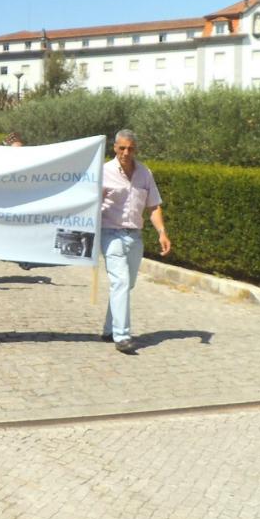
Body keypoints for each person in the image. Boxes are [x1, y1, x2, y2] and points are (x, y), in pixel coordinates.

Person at [100, 129, 172, 354]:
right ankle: (122, 336)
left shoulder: (144, 173)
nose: (126, 152)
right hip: (110, 234)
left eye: (130, 148)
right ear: (114, 148)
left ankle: (109, 329)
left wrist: (162, 232)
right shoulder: (103, 172)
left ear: (136, 149)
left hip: (135, 237)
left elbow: (153, 206)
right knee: (120, 282)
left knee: (126, 284)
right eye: (122, 148)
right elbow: (90, 203)